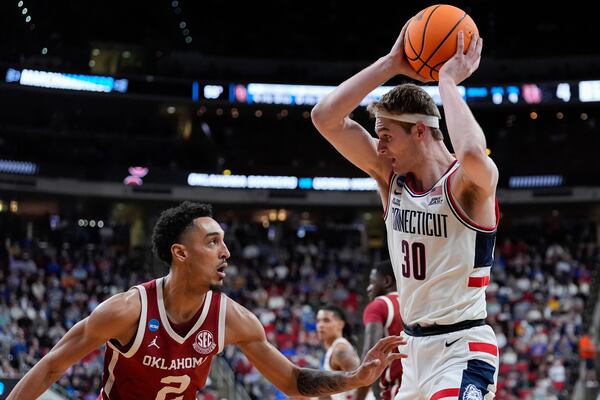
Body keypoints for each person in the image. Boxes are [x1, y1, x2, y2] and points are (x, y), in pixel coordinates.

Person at [7, 201, 406, 400]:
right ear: (181, 253)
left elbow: (293, 380)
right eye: (213, 242)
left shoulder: (232, 318)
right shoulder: (127, 310)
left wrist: (352, 380)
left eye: (224, 242)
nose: (226, 252)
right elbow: (51, 367)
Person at [311, 18, 500, 399]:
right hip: (411, 352)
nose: (378, 148)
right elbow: (325, 118)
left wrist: (447, 81)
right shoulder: (390, 178)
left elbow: (469, 150)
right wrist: (390, 63)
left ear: (419, 131)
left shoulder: (467, 184)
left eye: (385, 136)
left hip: (462, 350)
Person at [355, 260, 402, 400]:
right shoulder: (416, 302)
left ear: (387, 281)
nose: (368, 288)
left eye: (372, 282)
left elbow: (370, 359)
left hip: (399, 390)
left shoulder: (379, 305)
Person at [316, 304, 361, 400]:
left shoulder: (340, 350)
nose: (320, 325)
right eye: (318, 321)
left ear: (340, 324)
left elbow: (364, 383)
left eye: (326, 320)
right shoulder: (333, 349)